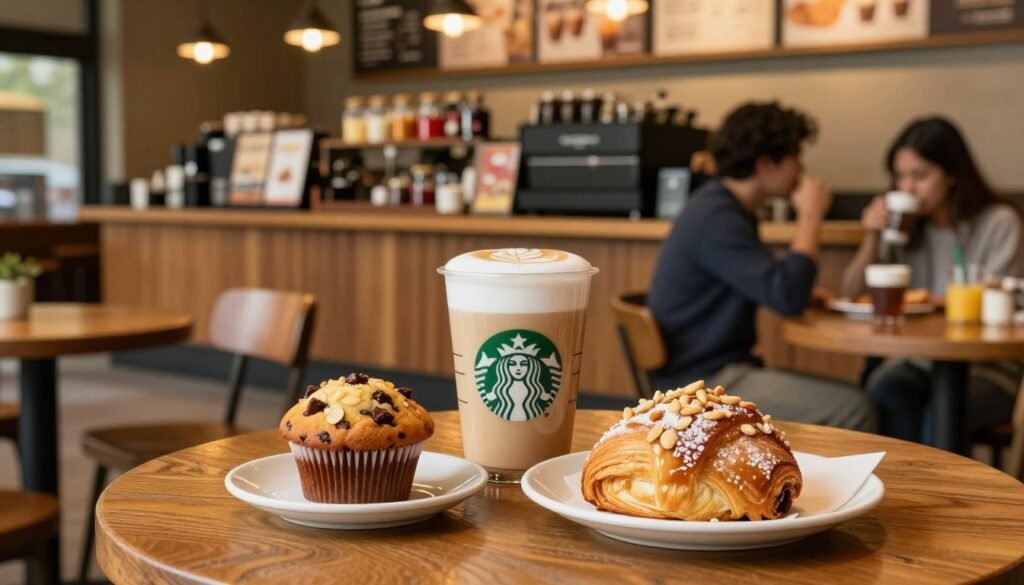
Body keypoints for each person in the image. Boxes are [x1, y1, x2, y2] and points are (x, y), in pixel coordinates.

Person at [647, 102, 877, 432]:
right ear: (766, 163)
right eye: (796, 156)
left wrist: (797, 290)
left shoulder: (719, 207)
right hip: (700, 385)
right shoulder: (717, 216)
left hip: (707, 372)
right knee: (857, 407)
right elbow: (788, 296)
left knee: (857, 397)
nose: (802, 168)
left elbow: (774, 285)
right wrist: (811, 215)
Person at [840, 116, 1024, 442]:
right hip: (917, 361)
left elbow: (1001, 301)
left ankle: (945, 494)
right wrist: (871, 236)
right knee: (887, 392)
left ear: (953, 173)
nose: (907, 188)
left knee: (941, 414)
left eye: (920, 175)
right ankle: (899, 491)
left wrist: (928, 301)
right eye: (900, 177)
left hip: (988, 368)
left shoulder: (999, 223)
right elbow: (852, 293)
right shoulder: (902, 231)